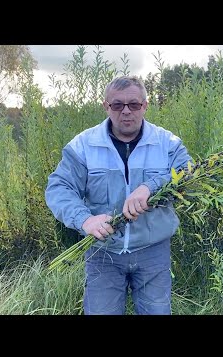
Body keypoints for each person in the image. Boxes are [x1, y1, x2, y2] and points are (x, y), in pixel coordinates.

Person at [45, 75, 191, 315]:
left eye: (134, 104)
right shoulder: (83, 145)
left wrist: (150, 187)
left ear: (145, 106)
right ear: (106, 106)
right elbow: (59, 188)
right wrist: (85, 220)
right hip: (103, 253)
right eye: (117, 105)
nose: (126, 111)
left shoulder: (167, 143)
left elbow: (187, 172)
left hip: (153, 251)